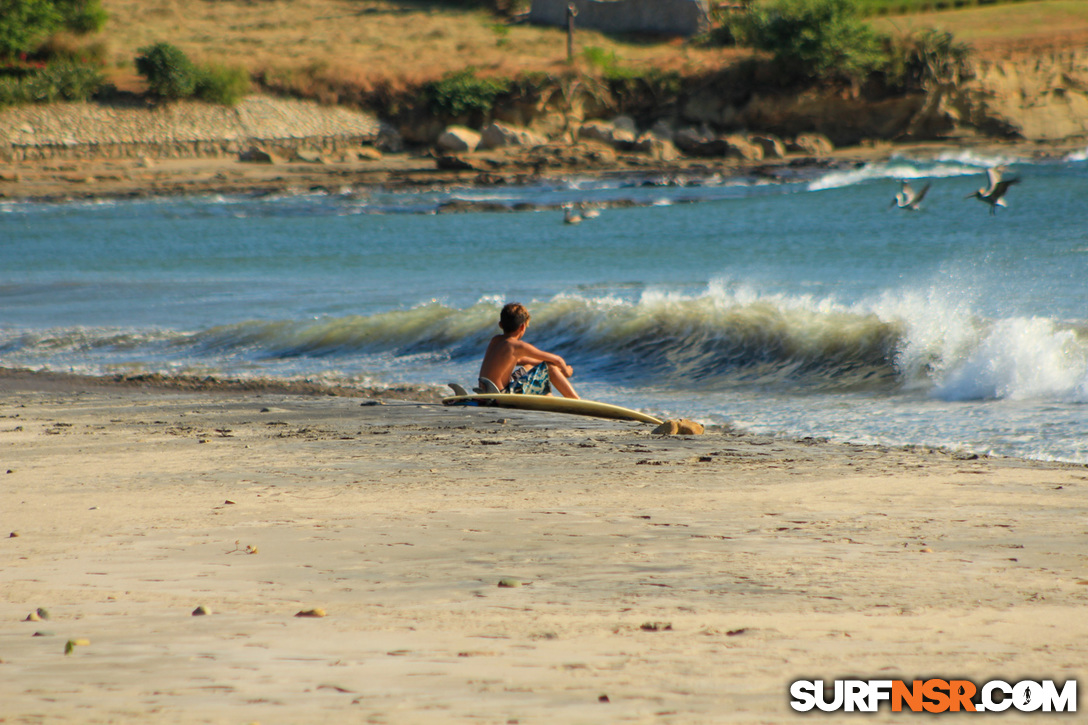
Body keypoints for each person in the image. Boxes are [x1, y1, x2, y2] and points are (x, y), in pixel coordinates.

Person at [479, 302, 579, 399]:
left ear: (500, 325)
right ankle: (575, 400)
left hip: (485, 392)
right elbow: (558, 360)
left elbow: (521, 360)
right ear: (522, 327)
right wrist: (566, 372)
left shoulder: (495, 340)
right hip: (502, 395)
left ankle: (549, 399)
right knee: (550, 367)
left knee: (530, 367)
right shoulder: (518, 345)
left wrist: (548, 366)